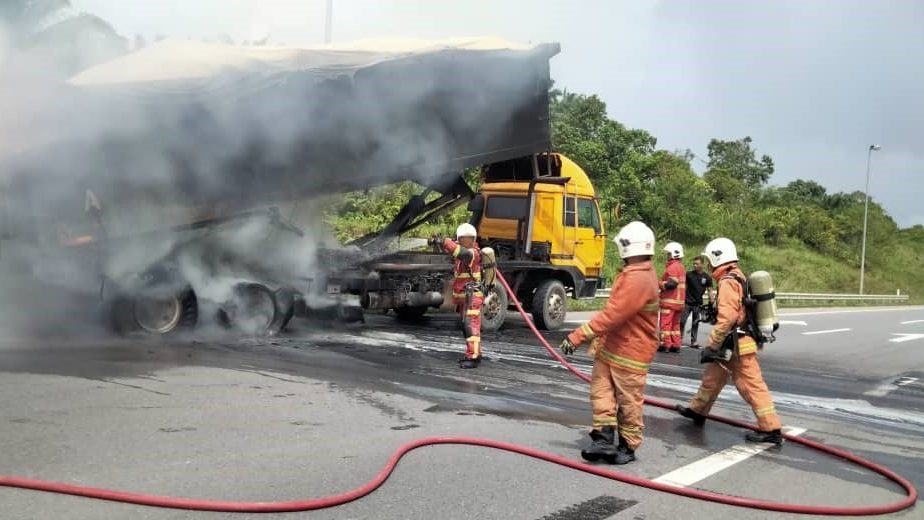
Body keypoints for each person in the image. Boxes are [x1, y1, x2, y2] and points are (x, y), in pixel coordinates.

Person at [559, 221, 659, 465]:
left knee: (628, 401)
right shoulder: (635, 274)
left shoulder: (639, 279)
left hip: (630, 352)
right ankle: (603, 439)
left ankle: (628, 446)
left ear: (627, 248)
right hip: (612, 349)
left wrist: (578, 335)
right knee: (601, 393)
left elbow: (613, 315)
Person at [675, 237, 783, 446]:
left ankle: (771, 428)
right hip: (732, 343)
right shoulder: (737, 276)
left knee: (750, 386)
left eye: (709, 260)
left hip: (738, 344)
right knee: (713, 378)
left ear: (717, 258)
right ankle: (698, 410)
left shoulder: (727, 282)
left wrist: (711, 346)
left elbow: (727, 319)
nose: (707, 264)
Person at [438, 223, 485, 369]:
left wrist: (444, 241)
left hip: (473, 297)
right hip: (466, 297)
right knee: (467, 327)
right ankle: (474, 352)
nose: (463, 241)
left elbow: (458, 251)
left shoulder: (473, 254)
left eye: (466, 239)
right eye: (461, 238)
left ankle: (473, 357)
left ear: (473, 239)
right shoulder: (463, 254)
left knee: (470, 327)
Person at [679, 256, 714, 348]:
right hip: (687, 302)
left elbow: (710, 290)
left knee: (695, 323)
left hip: (698, 304)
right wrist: (681, 299)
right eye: (694, 264)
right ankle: (679, 339)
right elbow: (684, 287)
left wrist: (711, 301)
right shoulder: (689, 275)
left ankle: (693, 341)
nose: (695, 265)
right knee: (682, 321)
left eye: (697, 264)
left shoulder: (707, 277)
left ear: (702, 264)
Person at [658, 241, 686, 353]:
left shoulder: (672, 267)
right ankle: (676, 344)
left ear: (673, 254)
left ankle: (666, 344)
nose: (667, 256)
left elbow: (671, 284)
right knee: (675, 325)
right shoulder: (681, 267)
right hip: (679, 303)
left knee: (666, 324)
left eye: (668, 254)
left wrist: (659, 283)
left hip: (669, 302)